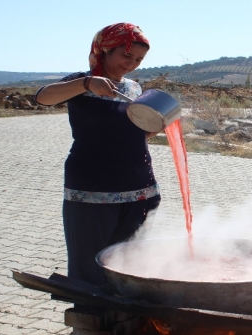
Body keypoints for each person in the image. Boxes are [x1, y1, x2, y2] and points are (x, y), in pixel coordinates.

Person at [35, 23, 160, 285]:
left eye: (138, 59)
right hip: (92, 191)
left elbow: (134, 134)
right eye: (126, 56)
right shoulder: (80, 83)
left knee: (131, 265)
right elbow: (43, 97)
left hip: (139, 190)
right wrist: (87, 83)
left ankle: (127, 321)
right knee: (90, 267)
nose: (131, 64)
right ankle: (90, 320)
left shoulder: (135, 90)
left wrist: (154, 127)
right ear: (104, 50)